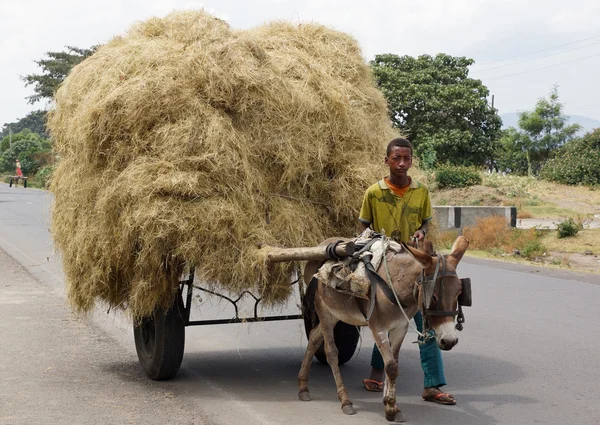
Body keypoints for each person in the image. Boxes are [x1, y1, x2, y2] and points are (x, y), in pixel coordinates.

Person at [358, 137, 456, 405]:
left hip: (417, 262)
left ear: (412, 161)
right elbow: (364, 227)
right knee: (385, 315)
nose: (402, 163)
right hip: (386, 264)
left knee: (427, 317)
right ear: (387, 161)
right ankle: (377, 373)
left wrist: (421, 232)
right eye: (396, 158)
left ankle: (433, 385)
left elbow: (425, 223)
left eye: (407, 158)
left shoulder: (421, 191)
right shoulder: (373, 193)